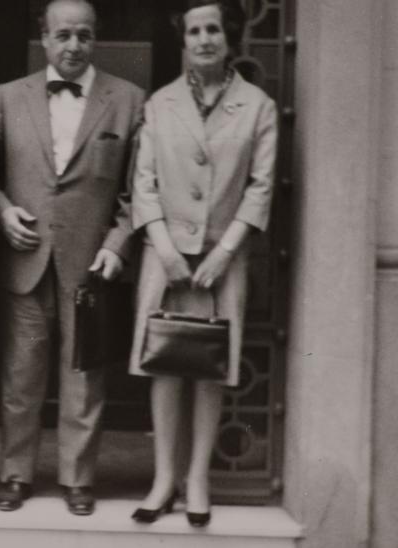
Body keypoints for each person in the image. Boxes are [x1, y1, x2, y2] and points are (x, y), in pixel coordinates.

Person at [0, 0, 145, 516]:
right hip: (26, 259)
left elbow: (137, 190)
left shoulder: (128, 101)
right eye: (63, 35)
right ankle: (15, 473)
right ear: (44, 37)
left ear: (95, 37)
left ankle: (78, 478)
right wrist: (2, 211)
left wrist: (117, 244)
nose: (74, 46)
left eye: (84, 35)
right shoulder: (8, 97)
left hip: (90, 266)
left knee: (84, 376)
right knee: (21, 374)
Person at [128, 0, 277, 527]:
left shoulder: (257, 107)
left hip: (222, 258)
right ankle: (163, 478)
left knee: (211, 365)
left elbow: (260, 188)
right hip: (165, 256)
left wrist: (225, 251)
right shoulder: (160, 103)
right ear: (184, 39)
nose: (205, 39)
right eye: (194, 31)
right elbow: (143, 183)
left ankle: (197, 480)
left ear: (229, 36)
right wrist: (165, 247)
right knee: (165, 363)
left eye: (214, 29)